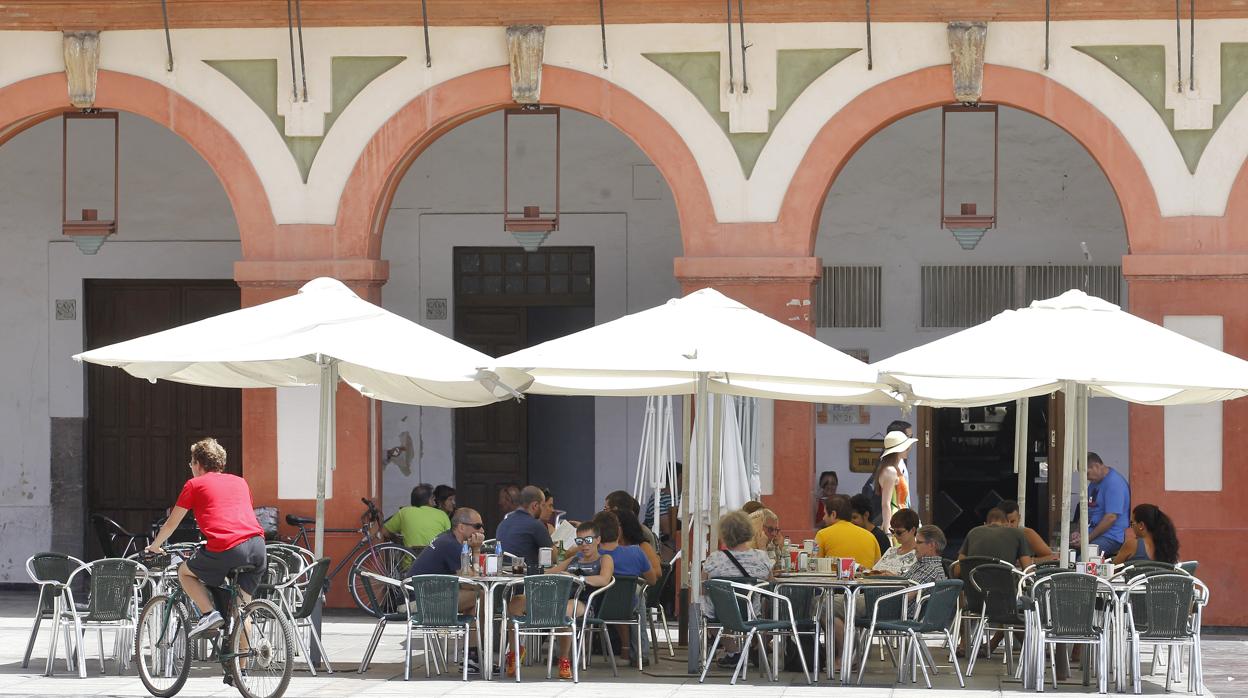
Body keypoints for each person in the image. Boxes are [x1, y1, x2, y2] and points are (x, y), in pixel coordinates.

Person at [146, 438, 266, 638]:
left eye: (191, 462)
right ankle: (242, 669)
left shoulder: (194, 484)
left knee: (184, 572)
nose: (191, 467)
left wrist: (154, 547)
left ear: (198, 464)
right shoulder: (240, 482)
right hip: (257, 546)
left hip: (228, 547)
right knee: (242, 610)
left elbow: (171, 523)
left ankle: (209, 613)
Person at [406, 507, 486, 674]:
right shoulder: (451, 545)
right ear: (462, 527)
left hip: (424, 596)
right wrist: (477, 550)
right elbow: (471, 582)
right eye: (477, 526)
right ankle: (472, 657)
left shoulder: (449, 540)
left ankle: (472, 658)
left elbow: (467, 581)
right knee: (482, 595)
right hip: (417, 603)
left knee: (474, 602)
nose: (482, 530)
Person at [704, 510, 774, 668]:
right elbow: (771, 584)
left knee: (709, 608)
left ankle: (733, 651)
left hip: (719, 614)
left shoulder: (715, 559)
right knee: (768, 605)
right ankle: (757, 647)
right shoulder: (761, 558)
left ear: (724, 534)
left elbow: (704, 584)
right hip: (750, 613)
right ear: (749, 531)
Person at [546, 520, 615, 679]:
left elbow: (604, 579)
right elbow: (551, 572)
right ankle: (515, 655)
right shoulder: (574, 559)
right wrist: (526, 570)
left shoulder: (604, 559)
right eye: (580, 541)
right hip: (564, 601)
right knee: (517, 602)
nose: (584, 545)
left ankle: (564, 659)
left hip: (587, 604)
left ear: (598, 540)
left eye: (588, 540)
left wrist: (578, 578)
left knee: (566, 609)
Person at [594, 510, 656, 663]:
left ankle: (565, 654)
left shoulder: (591, 556)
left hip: (597, 609)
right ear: (619, 531)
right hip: (629, 607)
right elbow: (653, 580)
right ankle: (641, 654)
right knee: (637, 594)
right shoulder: (636, 552)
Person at [1072, 452, 1131, 557]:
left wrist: (1087, 538)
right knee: (1064, 555)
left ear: (1096, 466)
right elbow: (1086, 510)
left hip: (1111, 537)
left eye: (1087, 473)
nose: (1086, 478)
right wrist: (1078, 531)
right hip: (1093, 534)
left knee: (1083, 559)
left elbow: (1111, 518)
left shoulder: (1114, 483)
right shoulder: (1094, 483)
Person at [815, 494, 882, 568]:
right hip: (865, 579)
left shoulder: (822, 535)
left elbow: (815, 566)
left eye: (825, 514)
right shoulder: (870, 536)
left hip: (835, 579)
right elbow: (877, 569)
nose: (823, 518)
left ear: (833, 514)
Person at [496, 485, 553, 570]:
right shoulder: (536, 525)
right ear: (535, 505)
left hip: (503, 578)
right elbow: (554, 557)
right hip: (525, 579)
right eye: (543, 505)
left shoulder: (503, 524)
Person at [382, 483, 451, 548]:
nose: (435, 502)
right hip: (435, 559)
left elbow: (384, 531)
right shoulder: (442, 514)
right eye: (433, 498)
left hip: (412, 559)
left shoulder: (404, 512)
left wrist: (395, 538)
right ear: (429, 500)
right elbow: (450, 539)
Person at [959, 508, 1033, 568]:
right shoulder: (1017, 533)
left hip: (973, 584)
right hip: (1005, 585)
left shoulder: (973, 532)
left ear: (985, 524)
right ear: (1007, 524)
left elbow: (957, 570)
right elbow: (1028, 570)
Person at [1112, 503, 1180, 564]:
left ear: (1141, 525)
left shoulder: (1132, 545)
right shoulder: (1167, 548)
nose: (1131, 527)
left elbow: (1112, 570)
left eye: (1132, 523)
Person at [873, 431, 916, 527]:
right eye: (905, 447)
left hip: (902, 518)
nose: (908, 449)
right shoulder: (890, 471)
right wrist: (888, 530)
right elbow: (886, 504)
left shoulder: (896, 468)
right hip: (896, 521)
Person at [869, 508, 921, 576]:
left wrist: (894, 577)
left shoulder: (919, 555)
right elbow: (874, 571)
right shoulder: (891, 550)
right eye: (892, 531)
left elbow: (915, 581)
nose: (895, 535)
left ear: (913, 530)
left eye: (899, 532)